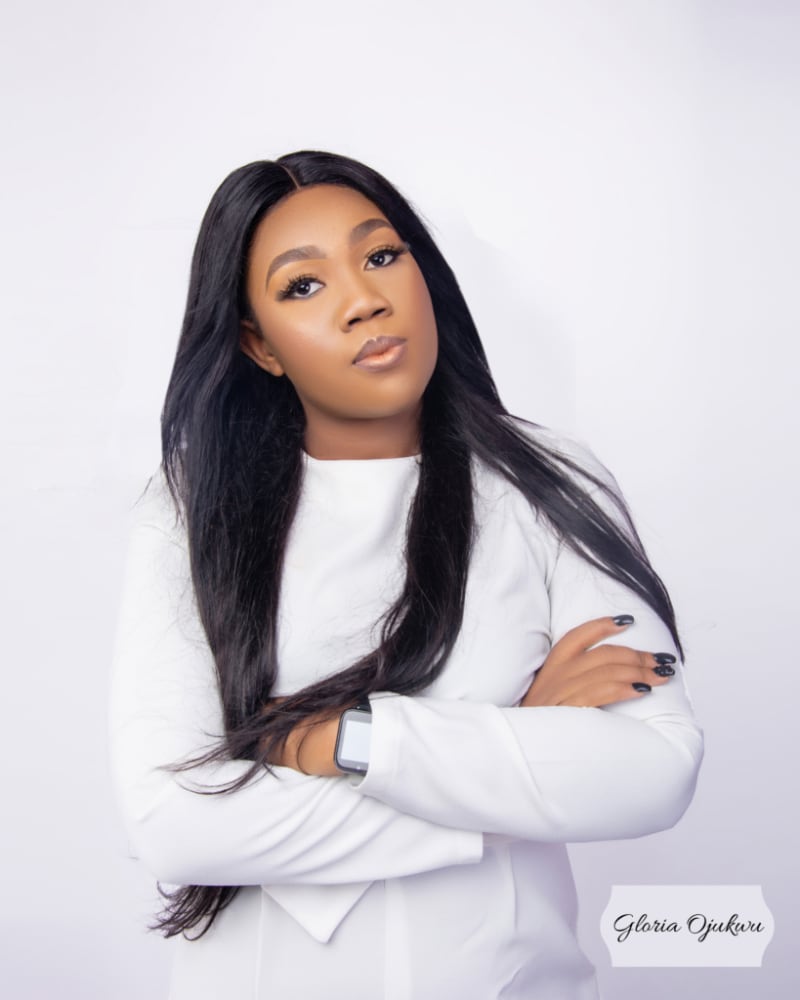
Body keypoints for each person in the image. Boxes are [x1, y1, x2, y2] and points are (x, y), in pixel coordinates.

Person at [110, 151, 703, 1000]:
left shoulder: (549, 481)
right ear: (259, 345)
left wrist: (347, 741)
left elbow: (654, 770)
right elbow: (175, 826)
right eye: (303, 286)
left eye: (382, 255)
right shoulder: (188, 511)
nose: (364, 300)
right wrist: (515, 748)